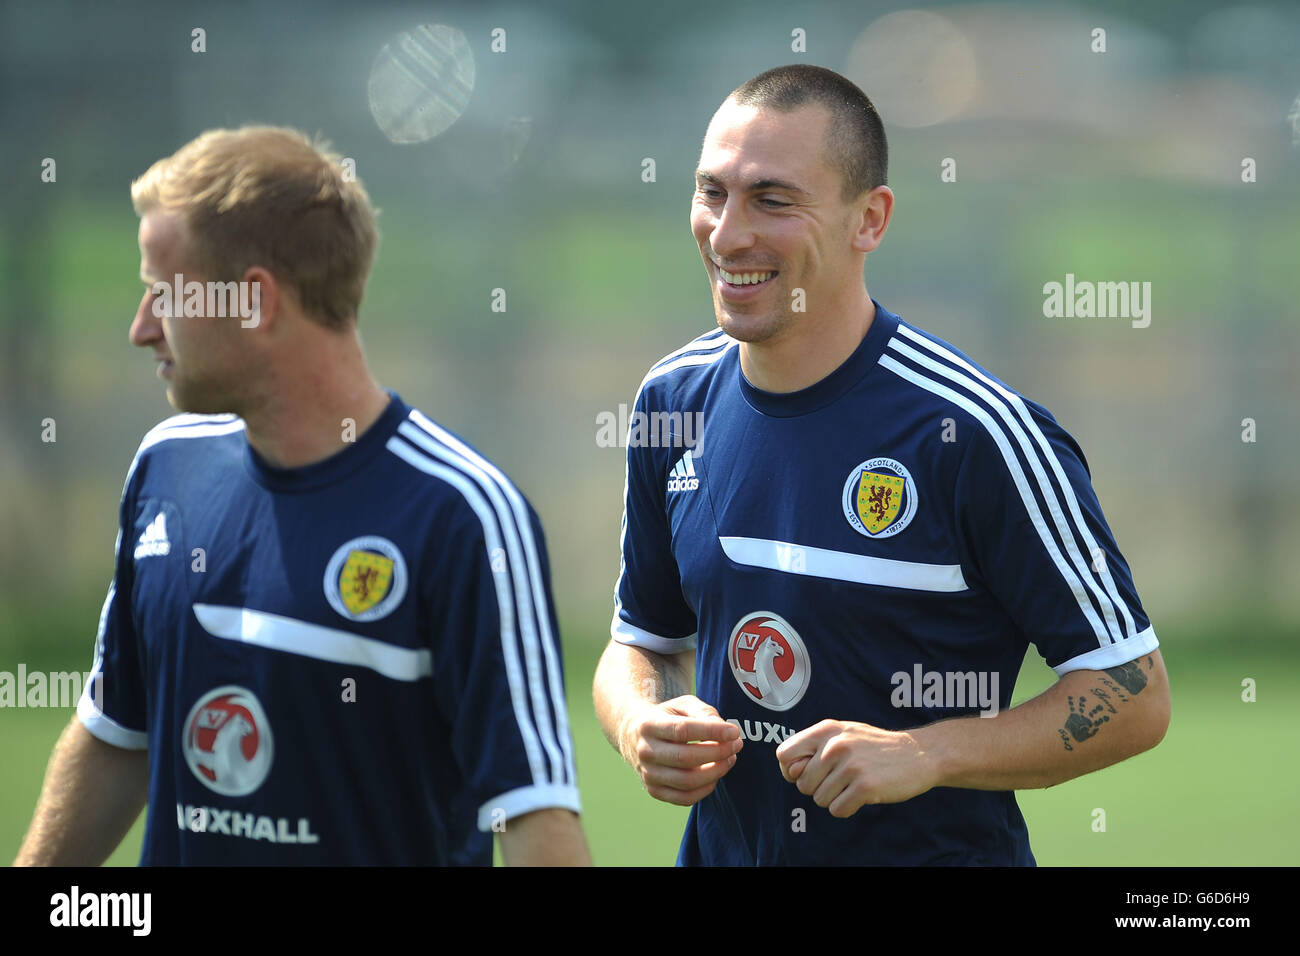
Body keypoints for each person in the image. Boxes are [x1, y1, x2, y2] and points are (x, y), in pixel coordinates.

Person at [593, 65, 1170, 865]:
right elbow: (642, 643)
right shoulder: (671, 400)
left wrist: (930, 752)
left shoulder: (975, 432)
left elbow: (1132, 693)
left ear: (870, 219)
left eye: (772, 199)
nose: (727, 235)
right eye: (711, 192)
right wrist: (638, 724)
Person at [15, 126, 590, 866]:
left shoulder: (462, 516)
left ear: (254, 301)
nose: (140, 328)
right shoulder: (167, 470)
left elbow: (535, 817)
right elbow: (117, 735)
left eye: (162, 293)